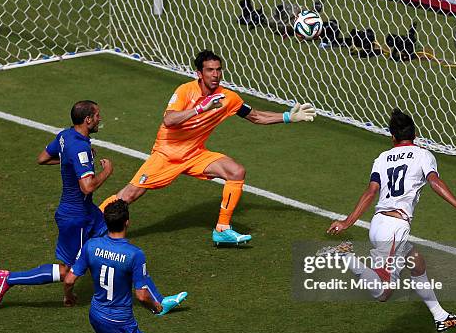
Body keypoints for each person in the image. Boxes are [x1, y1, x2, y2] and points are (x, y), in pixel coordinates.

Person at [99, 50, 317, 246]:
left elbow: (256, 116)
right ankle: (91, 223)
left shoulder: (227, 98)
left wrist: (289, 116)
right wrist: (199, 109)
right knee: (129, 196)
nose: (215, 74)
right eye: (210, 70)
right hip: (167, 154)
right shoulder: (185, 91)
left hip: (194, 154)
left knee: (236, 171)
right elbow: (169, 120)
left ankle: (222, 229)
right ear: (199, 73)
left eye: (218, 70)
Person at [327, 109, 456, 332]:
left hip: (379, 223)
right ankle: (346, 257)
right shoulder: (423, 155)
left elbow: (370, 192)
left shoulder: (381, 158)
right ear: (415, 135)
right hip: (395, 229)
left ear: (392, 137)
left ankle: (441, 316)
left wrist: (348, 222)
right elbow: (434, 181)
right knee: (383, 292)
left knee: (416, 263)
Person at [64, 200, 187, 333]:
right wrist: (156, 307)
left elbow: (69, 279)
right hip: (119, 320)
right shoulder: (134, 254)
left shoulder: (92, 245)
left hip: (96, 314)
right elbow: (141, 294)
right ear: (127, 222)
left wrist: (69, 296)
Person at [0, 100, 113, 306]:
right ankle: (10, 278)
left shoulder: (65, 136)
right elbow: (88, 187)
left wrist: (69, 160)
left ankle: (112, 286)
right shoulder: (79, 148)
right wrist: (107, 172)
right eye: (97, 116)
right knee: (66, 270)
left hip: (86, 211)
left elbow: (42, 158)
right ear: (87, 120)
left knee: (111, 237)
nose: (99, 119)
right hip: (76, 218)